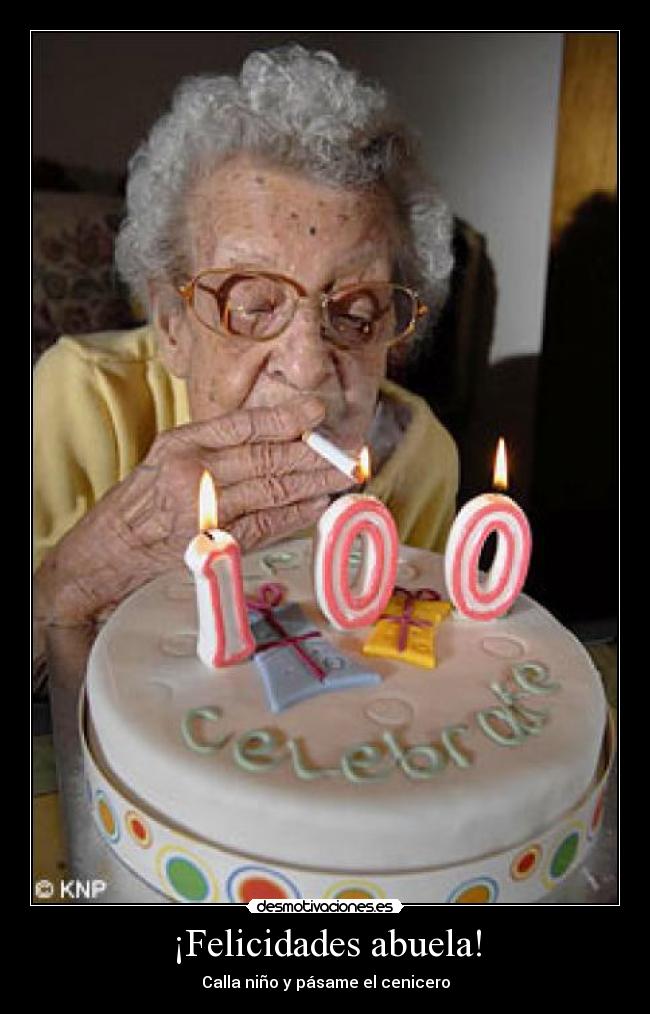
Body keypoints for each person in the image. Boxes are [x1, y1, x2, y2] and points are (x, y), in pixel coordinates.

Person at [34, 45, 458, 635]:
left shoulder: (423, 459)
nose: (308, 364)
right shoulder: (80, 400)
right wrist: (89, 574)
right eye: (253, 306)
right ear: (172, 325)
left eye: (358, 311)